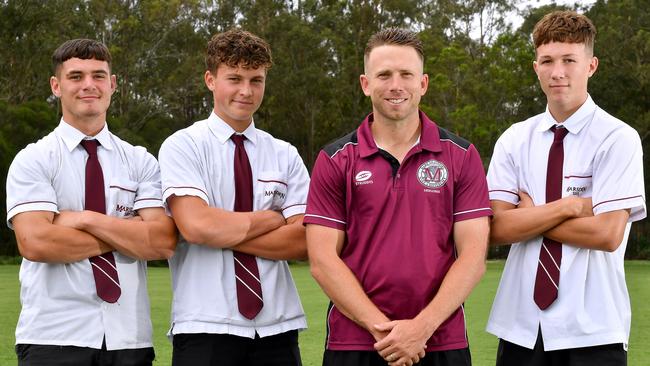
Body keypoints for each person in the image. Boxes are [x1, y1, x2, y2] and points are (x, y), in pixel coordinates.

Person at [304, 28, 492, 366]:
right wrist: (385, 332)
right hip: (355, 344)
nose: (396, 85)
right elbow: (322, 261)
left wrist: (421, 328)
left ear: (423, 84)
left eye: (406, 74)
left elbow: (473, 257)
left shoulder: (462, 156)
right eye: (384, 75)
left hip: (439, 341)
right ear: (365, 84)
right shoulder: (334, 159)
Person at [485, 10, 646, 366]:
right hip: (520, 328)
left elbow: (606, 234)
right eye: (547, 61)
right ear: (535, 67)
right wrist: (569, 207)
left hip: (594, 328)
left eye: (569, 60)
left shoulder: (618, 138)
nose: (557, 72)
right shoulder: (514, 139)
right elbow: (495, 228)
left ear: (591, 65)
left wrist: (528, 217)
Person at [5, 39, 177, 366]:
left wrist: (83, 219)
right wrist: (128, 234)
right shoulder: (34, 159)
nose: (89, 85)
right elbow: (36, 242)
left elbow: (163, 241)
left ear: (112, 84)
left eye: (98, 76)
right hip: (52, 337)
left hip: (129, 339)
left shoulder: (140, 161)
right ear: (56, 86)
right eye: (76, 76)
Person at [158, 29, 309, 366]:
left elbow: (304, 240)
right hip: (204, 327)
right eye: (235, 78)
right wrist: (273, 219)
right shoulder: (184, 145)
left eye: (256, 80)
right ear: (210, 79)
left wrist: (222, 230)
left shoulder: (284, 154)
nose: (246, 90)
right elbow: (197, 228)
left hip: (277, 328)